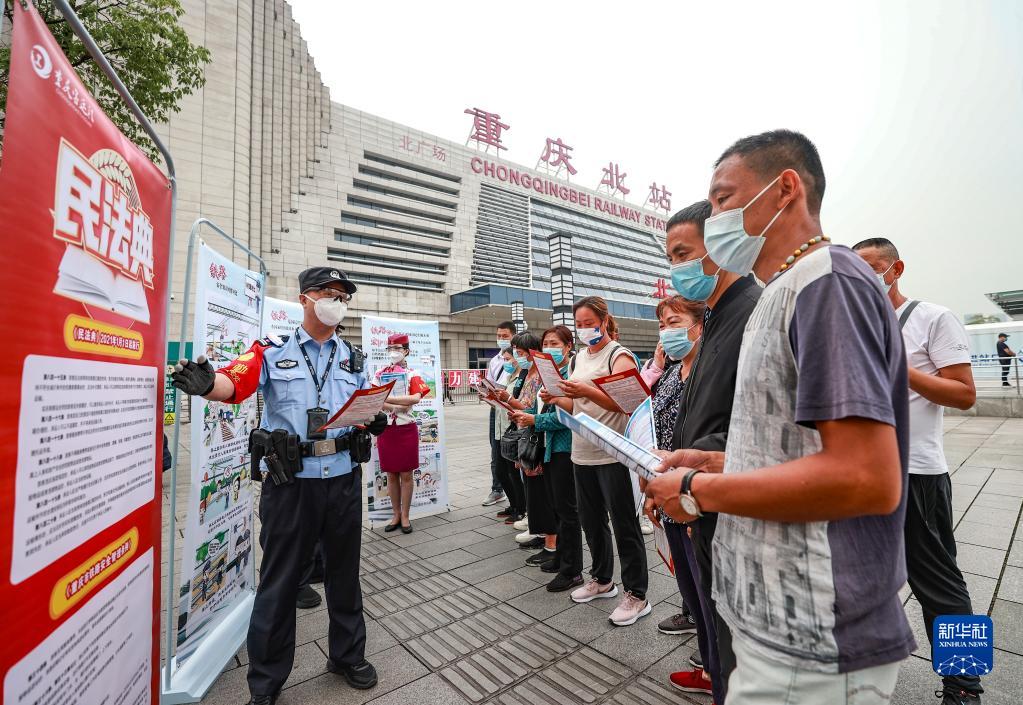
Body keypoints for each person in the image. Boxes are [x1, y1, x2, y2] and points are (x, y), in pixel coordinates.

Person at [648, 130, 914, 705]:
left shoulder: (829, 283)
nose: (714, 216)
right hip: (775, 622)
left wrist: (697, 487)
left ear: (785, 188)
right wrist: (722, 459)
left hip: (816, 631)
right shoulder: (784, 289)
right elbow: (798, 446)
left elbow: (866, 475)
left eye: (722, 199)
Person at [171, 267, 388, 705]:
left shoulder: (354, 358)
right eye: (329, 293)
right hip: (292, 485)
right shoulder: (271, 352)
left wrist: (375, 418)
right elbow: (236, 381)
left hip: (343, 479)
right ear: (305, 297)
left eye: (343, 297)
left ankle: (347, 656)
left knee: (345, 575)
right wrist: (209, 384)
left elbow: (366, 402)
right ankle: (266, 682)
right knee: (280, 581)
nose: (337, 302)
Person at [854, 237, 982, 705]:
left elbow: (964, 394)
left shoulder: (933, 318)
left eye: (871, 267)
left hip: (917, 474)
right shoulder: (857, 326)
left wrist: (900, 368)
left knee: (940, 585)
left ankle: (965, 686)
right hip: (862, 476)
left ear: (895, 268)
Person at [542, 296, 650, 627]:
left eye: (591, 322)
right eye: (581, 324)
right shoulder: (577, 359)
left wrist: (584, 393)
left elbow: (630, 403)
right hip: (582, 452)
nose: (586, 328)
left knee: (623, 524)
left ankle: (637, 594)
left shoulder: (619, 355)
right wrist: (558, 398)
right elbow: (579, 408)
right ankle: (602, 580)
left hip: (613, 453)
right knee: (592, 522)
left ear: (604, 321)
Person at [643, 292, 716, 699]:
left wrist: (691, 503)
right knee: (688, 587)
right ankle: (708, 659)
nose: (666, 331)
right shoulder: (671, 373)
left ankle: (716, 668)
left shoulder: (708, 375)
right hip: (666, 492)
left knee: (708, 591)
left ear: (699, 325)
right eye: (662, 324)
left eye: (674, 322)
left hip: (694, 496)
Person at [510, 325, 584, 593]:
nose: (550, 347)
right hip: (550, 449)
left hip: (566, 448)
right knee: (557, 509)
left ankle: (572, 570)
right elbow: (538, 407)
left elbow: (569, 417)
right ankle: (562, 559)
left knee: (567, 511)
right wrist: (521, 412)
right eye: (546, 343)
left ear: (568, 346)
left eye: (555, 342)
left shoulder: (570, 375)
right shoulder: (546, 374)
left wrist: (535, 419)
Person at [503, 331, 559, 565]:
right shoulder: (528, 373)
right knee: (533, 487)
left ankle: (548, 539)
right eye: (517, 352)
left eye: (522, 352)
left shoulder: (544, 374)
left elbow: (534, 408)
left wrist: (510, 402)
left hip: (537, 436)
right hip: (527, 432)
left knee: (541, 491)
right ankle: (539, 531)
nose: (519, 356)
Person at [376, 333, 430, 534]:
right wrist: (398, 402)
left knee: (406, 474)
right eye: (390, 348)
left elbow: (415, 399)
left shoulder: (413, 374)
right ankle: (395, 514)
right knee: (390, 473)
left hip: (406, 428)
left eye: (398, 348)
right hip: (387, 429)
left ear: (406, 351)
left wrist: (389, 401)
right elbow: (375, 399)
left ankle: (406, 516)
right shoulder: (380, 373)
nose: (393, 352)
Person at [483, 322, 516, 506]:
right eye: (499, 336)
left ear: (513, 336)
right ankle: (497, 489)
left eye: (505, 336)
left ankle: (516, 499)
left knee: (510, 451)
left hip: (511, 407)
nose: (501, 339)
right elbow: (489, 381)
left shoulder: (517, 359)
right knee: (495, 449)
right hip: (495, 408)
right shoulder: (495, 360)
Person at [492, 348, 526, 523]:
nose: (506, 362)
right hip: (501, 430)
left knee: (513, 473)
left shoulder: (523, 378)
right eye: (504, 359)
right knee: (501, 471)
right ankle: (514, 504)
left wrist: (506, 399)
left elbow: (522, 405)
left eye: (509, 358)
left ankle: (521, 508)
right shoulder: (506, 376)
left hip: (513, 429)